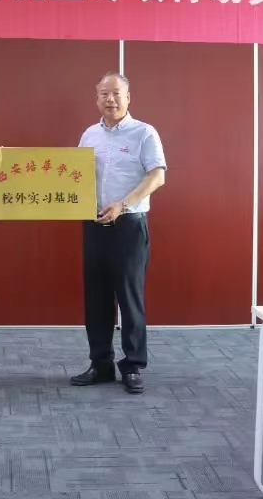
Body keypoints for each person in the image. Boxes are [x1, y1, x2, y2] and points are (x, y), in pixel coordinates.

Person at [71, 72, 166, 394]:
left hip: (128, 225)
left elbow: (157, 176)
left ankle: (133, 365)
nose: (110, 99)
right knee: (96, 299)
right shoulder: (89, 135)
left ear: (128, 97)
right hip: (94, 223)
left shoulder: (144, 133)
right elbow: (75, 176)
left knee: (129, 297)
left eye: (116, 93)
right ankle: (100, 364)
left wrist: (123, 205)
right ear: (96, 98)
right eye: (104, 94)